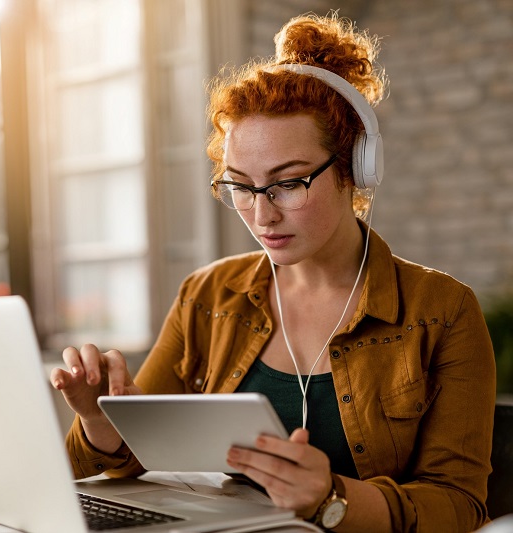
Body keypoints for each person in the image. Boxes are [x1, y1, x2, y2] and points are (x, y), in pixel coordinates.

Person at [51, 12, 496, 533]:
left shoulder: (441, 312)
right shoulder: (207, 295)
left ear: (353, 169)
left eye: (288, 184)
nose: (262, 215)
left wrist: (332, 499)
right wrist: (100, 418)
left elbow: (461, 507)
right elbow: (132, 462)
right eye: (240, 185)